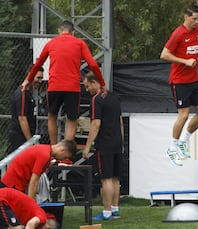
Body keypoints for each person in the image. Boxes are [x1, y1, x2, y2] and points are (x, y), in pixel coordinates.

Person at [21, 20, 107, 145]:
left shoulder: (51, 43)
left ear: (59, 31)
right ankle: (65, 152)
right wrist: (102, 83)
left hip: (54, 86)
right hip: (72, 88)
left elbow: (38, 63)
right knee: (72, 119)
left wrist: (27, 80)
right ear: (73, 32)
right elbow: (93, 64)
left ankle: (54, 148)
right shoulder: (79, 43)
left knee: (52, 116)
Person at [160, 3, 198, 166]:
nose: (196, 22)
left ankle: (183, 140)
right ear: (186, 17)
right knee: (184, 114)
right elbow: (164, 55)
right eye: (194, 19)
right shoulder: (178, 34)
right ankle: (172, 148)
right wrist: (184, 61)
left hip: (193, 79)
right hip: (179, 81)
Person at [82, 72, 124, 221]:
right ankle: (115, 209)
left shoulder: (97, 99)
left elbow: (96, 124)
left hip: (105, 144)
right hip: (117, 142)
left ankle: (106, 212)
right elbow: (120, 121)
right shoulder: (114, 97)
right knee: (115, 178)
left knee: (106, 178)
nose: (86, 90)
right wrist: (122, 141)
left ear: (95, 83)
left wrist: (87, 146)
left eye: (87, 86)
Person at [0, 139, 77, 200]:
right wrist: (31, 204)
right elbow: (34, 181)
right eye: (65, 157)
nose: (63, 159)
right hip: (12, 185)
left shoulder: (45, 151)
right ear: (62, 150)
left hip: (16, 184)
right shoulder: (44, 155)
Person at [9, 68, 44, 154]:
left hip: (26, 137)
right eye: (38, 78)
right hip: (20, 138)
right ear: (30, 76)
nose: (40, 81)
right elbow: (22, 118)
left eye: (41, 78)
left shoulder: (29, 93)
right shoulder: (22, 93)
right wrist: (30, 142)